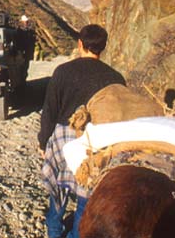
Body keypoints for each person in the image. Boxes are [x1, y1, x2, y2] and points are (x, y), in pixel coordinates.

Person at [38, 24, 126, 238]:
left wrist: (42, 142)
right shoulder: (115, 77)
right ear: (103, 47)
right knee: (86, 196)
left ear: (80, 44)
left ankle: (54, 232)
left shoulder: (62, 72)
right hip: (94, 142)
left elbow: (50, 110)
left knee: (58, 191)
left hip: (62, 140)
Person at [16, 15, 36, 81]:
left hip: (26, 53)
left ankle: (23, 81)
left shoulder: (27, 30)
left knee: (25, 68)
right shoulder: (20, 31)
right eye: (25, 21)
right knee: (22, 68)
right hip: (22, 53)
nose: (26, 22)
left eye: (26, 21)